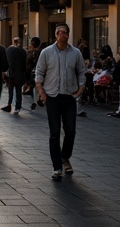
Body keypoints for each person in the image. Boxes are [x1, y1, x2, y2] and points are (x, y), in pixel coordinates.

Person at [34, 24, 86, 180]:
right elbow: (39, 73)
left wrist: (80, 90)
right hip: (52, 97)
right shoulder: (46, 52)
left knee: (70, 131)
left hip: (69, 97)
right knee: (54, 133)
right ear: (56, 35)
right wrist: (41, 92)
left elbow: (81, 72)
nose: (63, 35)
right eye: (60, 33)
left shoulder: (75, 53)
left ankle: (65, 157)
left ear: (68, 35)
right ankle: (57, 167)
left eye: (66, 33)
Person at [2, 36, 27, 113]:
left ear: (14, 42)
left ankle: (9, 105)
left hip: (10, 73)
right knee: (18, 91)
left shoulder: (9, 49)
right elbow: (25, 64)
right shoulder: (23, 51)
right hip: (19, 74)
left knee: (10, 90)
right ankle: (17, 107)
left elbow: (5, 62)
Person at [25, 37, 42, 110]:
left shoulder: (30, 53)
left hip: (32, 72)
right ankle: (37, 100)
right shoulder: (42, 52)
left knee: (35, 86)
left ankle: (36, 100)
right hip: (40, 72)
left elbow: (27, 64)